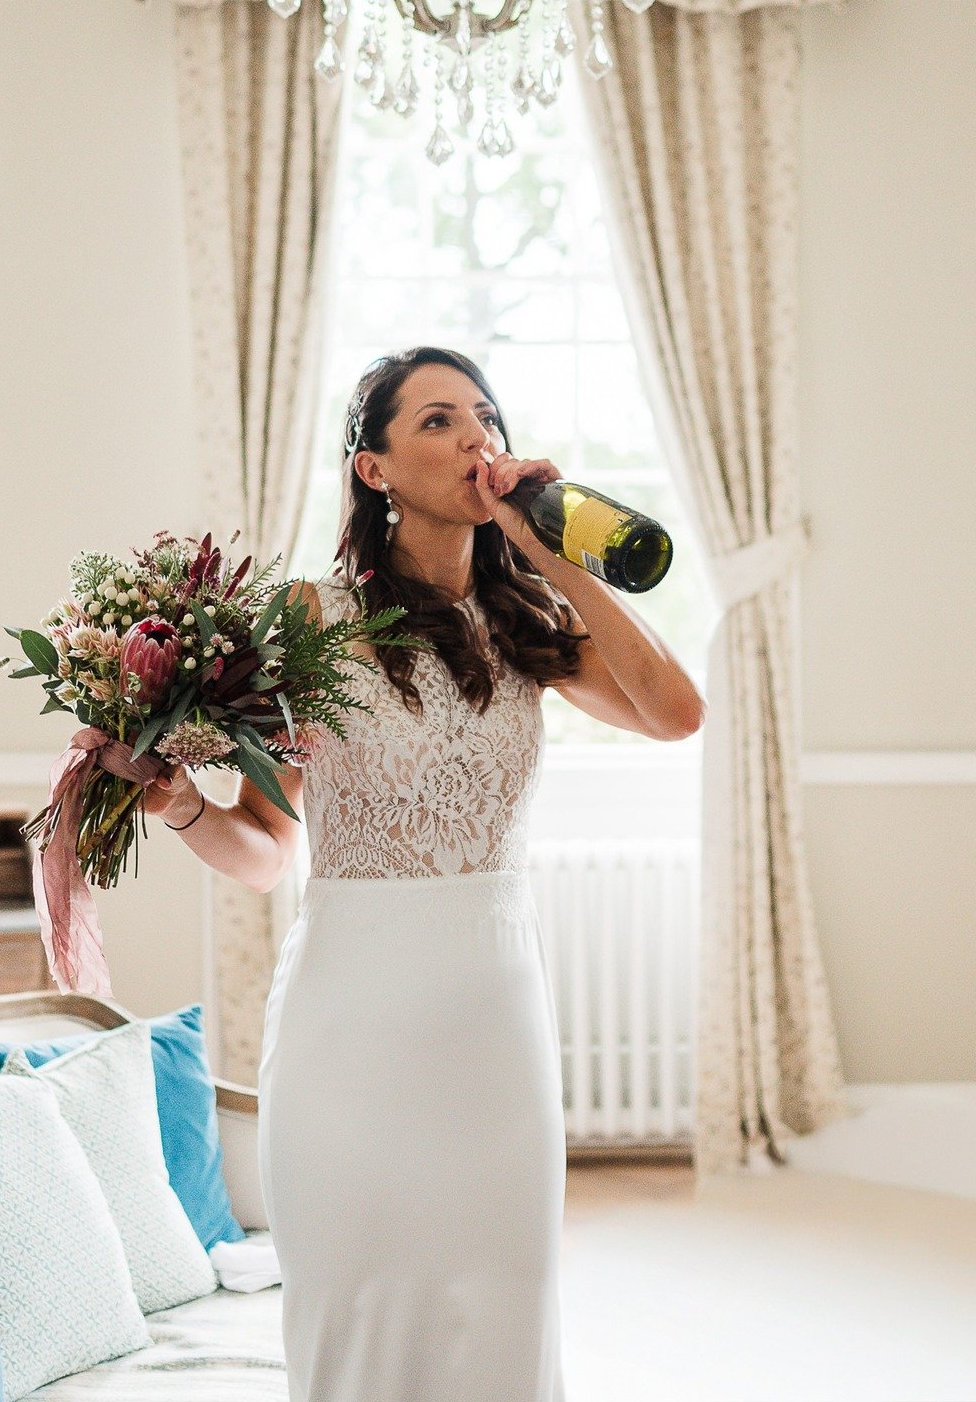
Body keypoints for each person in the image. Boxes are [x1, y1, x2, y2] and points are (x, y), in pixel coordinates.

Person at [139, 345, 705, 1401]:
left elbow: (677, 713)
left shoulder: (533, 621)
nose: (474, 438)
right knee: (359, 1303)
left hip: (496, 1026)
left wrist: (548, 551)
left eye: (483, 416)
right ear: (376, 470)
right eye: (437, 420)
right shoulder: (309, 620)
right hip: (351, 1022)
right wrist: (180, 808)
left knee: (501, 1306)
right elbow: (263, 851)